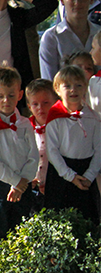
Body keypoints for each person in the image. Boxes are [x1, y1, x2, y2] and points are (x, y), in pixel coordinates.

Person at [0, 66, 39, 249]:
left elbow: (33, 155)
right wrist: (14, 181)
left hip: (23, 183)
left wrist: (23, 182)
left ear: (20, 95)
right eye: (1, 96)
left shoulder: (25, 124)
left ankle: (20, 270)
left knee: (21, 229)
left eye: (11, 95)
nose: (6, 100)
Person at [44, 65, 101, 224]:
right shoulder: (55, 117)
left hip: (85, 172)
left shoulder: (93, 118)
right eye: (67, 86)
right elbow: (52, 151)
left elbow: (98, 149)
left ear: (85, 88)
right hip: (62, 173)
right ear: (57, 89)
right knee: (61, 222)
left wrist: (89, 176)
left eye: (78, 85)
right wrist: (70, 176)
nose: (73, 90)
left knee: (87, 219)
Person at [40, 0, 100, 81]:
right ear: (62, 0)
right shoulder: (52, 37)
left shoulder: (99, 34)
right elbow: (49, 82)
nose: (77, 3)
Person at [25, 78, 57, 208]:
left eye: (45, 103)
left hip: (55, 183)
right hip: (32, 186)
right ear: (29, 106)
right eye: (35, 104)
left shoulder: (60, 127)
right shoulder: (24, 129)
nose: (40, 108)